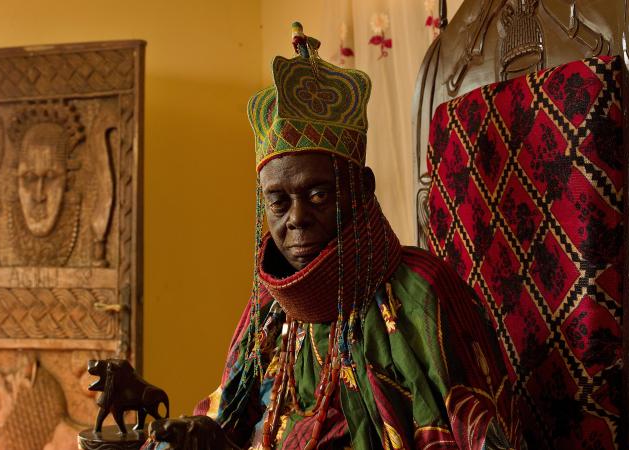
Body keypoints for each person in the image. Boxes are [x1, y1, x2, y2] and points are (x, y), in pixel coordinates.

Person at [143, 23, 521, 450]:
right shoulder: (267, 309)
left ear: (362, 187)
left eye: (319, 194)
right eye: (278, 201)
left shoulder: (422, 294)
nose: (297, 219)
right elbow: (223, 421)